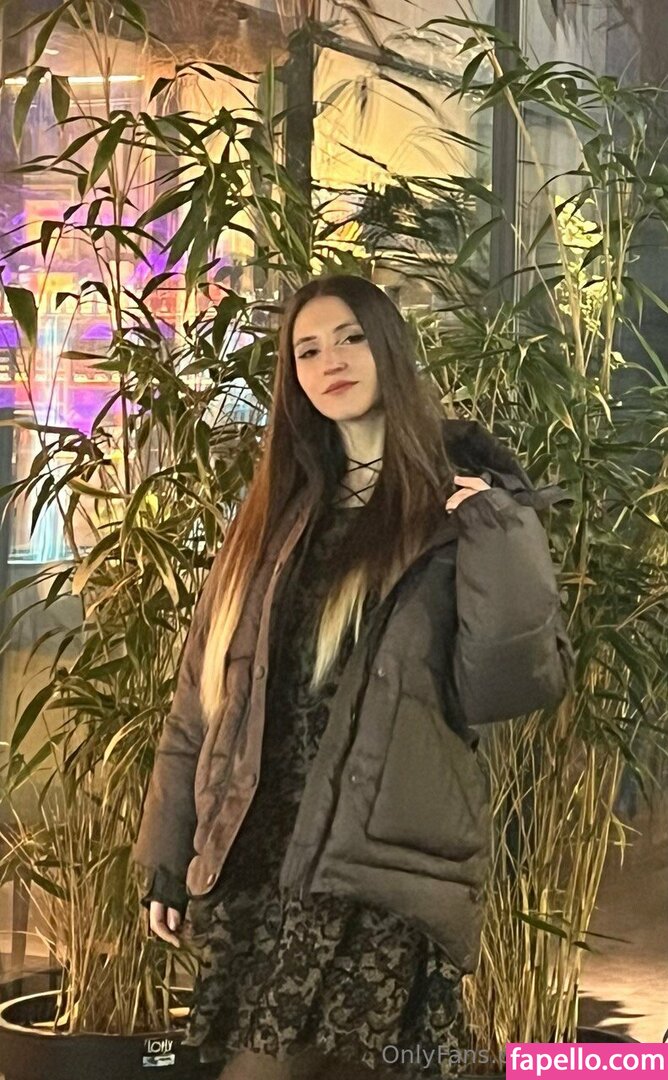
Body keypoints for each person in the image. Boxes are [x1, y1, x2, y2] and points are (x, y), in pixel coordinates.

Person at [133, 274, 574, 1080]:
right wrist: (168, 852)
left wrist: (502, 530)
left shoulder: (456, 507)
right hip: (262, 859)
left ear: (389, 348)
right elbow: (199, 703)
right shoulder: (273, 520)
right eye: (307, 350)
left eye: (350, 338)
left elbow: (510, 686)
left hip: (374, 873)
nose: (329, 360)